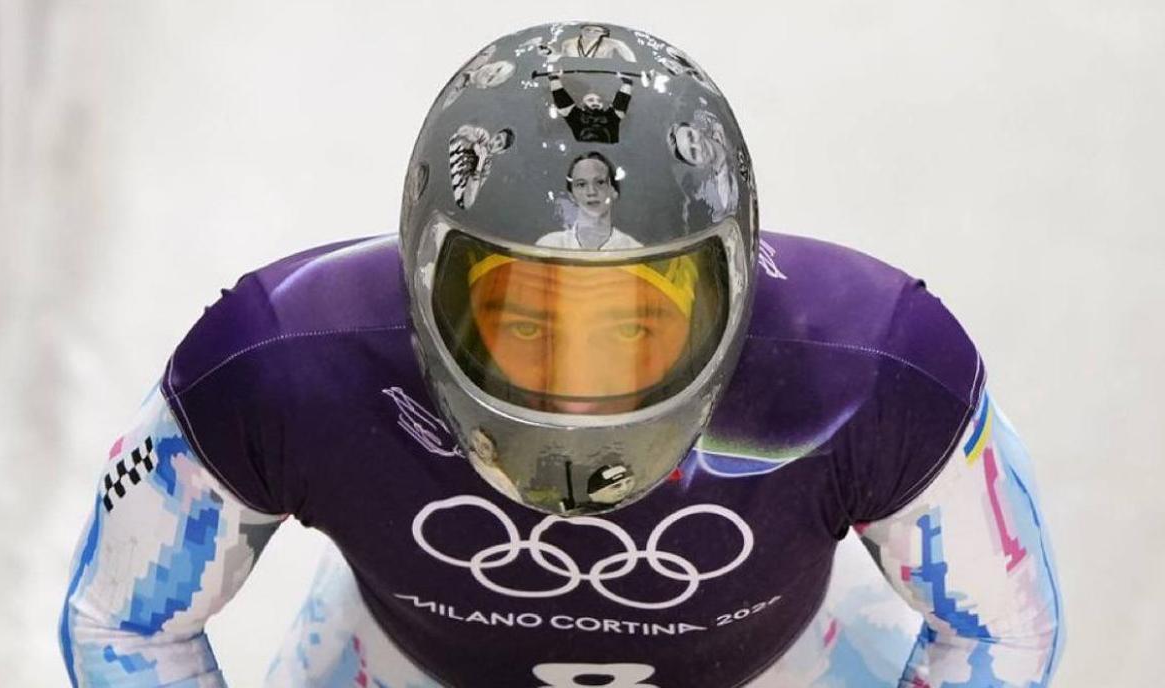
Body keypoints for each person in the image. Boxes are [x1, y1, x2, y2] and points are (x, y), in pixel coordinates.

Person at [60, 22, 1063, 688]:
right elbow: (1002, 628)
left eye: (631, 326)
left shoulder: (280, 360)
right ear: (425, 282)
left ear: (735, 290)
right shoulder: (877, 367)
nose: (580, 394)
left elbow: (124, 621)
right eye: (527, 323)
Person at [536, 152, 641, 250]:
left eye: (600, 182)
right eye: (581, 184)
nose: (591, 192)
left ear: (614, 191)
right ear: (572, 195)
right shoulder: (549, 246)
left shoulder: (633, 249)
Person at [549, 69, 634, 143]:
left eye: (599, 101)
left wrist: (627, 82)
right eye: (590, 100)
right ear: (582, 104)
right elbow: (562, 100)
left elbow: (622, 101)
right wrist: (554, 79)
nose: (596, 102)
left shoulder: (611, 117)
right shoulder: (576, 116)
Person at [560, 24, 637, 61]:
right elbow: (563, 61)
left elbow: (631, 60)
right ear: (581, 30)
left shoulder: (615, 44)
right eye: (587, 29)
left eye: (596, 31)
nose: (591, 32)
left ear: (603, 33)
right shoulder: (568, 43)